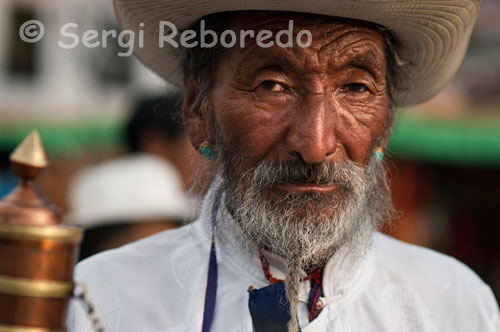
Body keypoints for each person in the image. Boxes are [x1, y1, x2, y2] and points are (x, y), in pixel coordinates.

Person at [68, 1, 500, 332]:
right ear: (198, 113)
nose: (315, 145)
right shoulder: (102, 302)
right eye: (272, 85)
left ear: (385, 126)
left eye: (355, 87)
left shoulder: (452, 304)